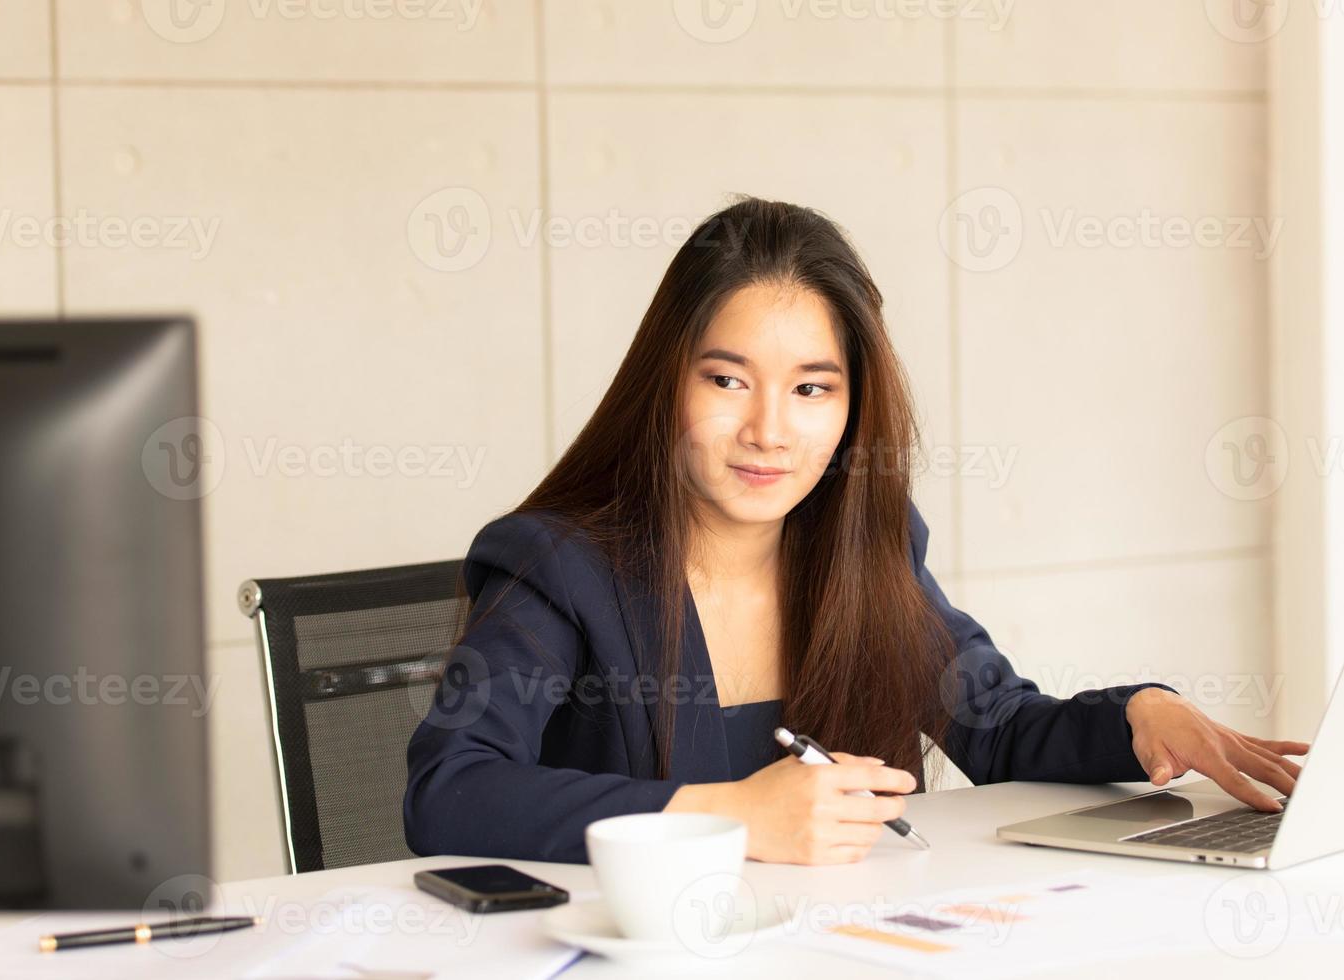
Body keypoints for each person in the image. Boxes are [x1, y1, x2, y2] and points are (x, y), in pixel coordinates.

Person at [402, 196, 1309, 866]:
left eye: (810, 388)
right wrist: (734, 816)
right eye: (726, 381)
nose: (768, 429)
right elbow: (451, 792)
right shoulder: (561, 566)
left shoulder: (861, 545)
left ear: (851, 407)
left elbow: (992, 726)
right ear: (663, 384)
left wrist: (1139, 720)